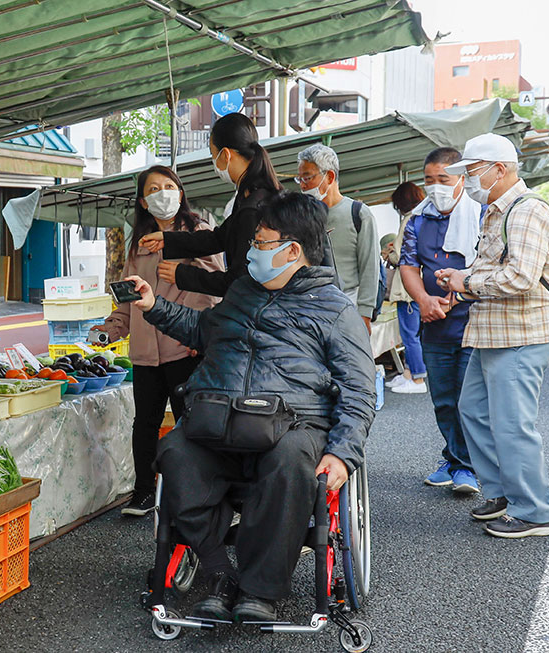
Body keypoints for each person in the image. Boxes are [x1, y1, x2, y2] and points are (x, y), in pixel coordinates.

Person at [128, 192, 375, 623]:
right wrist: (154, 306)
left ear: (292, 250)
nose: (250, 252)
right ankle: (220, 573)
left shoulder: (335, 310)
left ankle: (260, 589)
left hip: (292, 424)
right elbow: (202, 329)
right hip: (219, 416)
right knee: (174, 453)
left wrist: (342, 453)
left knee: (293, 461)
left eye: (260, 243)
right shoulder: (242, 291)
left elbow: (359, 388)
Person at [435, 133, 549, 539]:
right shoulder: (495, 210)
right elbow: (498, 269)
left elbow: (520, 277)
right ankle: (502, 493)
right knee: (471, 409)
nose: (468, 181)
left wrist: (466, 279)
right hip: (494, 331)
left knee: (512, 423)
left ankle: (535, 511)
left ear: (500, 169)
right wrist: (464, 281)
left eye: (472, 172)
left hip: (521, 333)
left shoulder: (526, 211)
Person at [92, 166, 224, 516]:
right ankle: (143, 493)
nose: (163, 193)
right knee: (145, 424)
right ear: (143, 201)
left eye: (169, 186)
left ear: (180, 194)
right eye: (154, 188)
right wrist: (110, 330)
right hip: (146, 354)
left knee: (189, 423)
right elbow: (127, 299)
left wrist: (204, 334)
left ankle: (194, 493)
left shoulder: (199, 233)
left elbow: (216, 288)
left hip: (186, 348)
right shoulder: (140, 243)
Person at [399, 147, 483, 494]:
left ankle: (467, 467)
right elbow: (408, 265)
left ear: (461, 178)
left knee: (468, 398)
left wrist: (460, 294)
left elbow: (490, 264)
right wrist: (423, 300)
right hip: (434, 322)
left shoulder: (481, 214)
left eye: (443, 180)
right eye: (429, 180)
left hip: (474, 322)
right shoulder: (418, 219)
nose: (435, 187)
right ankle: (453, 458)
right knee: (443, 398)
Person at [139, 112, 282, 297]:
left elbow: (239, 281)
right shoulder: (252, 198)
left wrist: (182, 274)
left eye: (212, 154)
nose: (213, 162)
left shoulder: (253, 209)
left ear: (225, 155)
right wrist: (167, 239)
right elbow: (219, 238)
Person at [296, 143, 380, 334]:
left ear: (330, 176)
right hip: (311, 308)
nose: (302, 185)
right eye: (299, 179)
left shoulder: (358, 214)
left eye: (307, 178)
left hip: (349, 305)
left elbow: (370, 268)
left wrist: (365, 314)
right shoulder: (302, 216)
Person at [386, 182, 427, 395]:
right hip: (420, 283)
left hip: (407, 287)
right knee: (414, 334)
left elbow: (401, 255)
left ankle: (418, 378)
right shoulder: (424, 217)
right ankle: (409, 373)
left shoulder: (408, 220)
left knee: (409, 334)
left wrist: (389, 254)